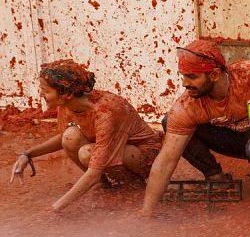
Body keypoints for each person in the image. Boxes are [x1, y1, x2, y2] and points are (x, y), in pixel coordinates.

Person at [140, 39, 250, 215]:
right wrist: (146, 211)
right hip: (236, 137)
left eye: (192, 77)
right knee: (170, 122)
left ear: (214, 75)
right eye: (183, 75)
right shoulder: (188, 105)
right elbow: (166, 159)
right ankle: (216, 177)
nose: (184, 83)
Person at [11, 60, 162, 212]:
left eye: (45, 90)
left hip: (146, 154)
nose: (41, 94)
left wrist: (55, 208)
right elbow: (63, 138)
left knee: (87, 153)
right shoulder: (67, 104)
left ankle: (134, 188)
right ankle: (104, 185)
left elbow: (94, 171)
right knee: (70, 137)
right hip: (116, 148)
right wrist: (28, 154)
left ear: (66, 94)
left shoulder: (105, 112)